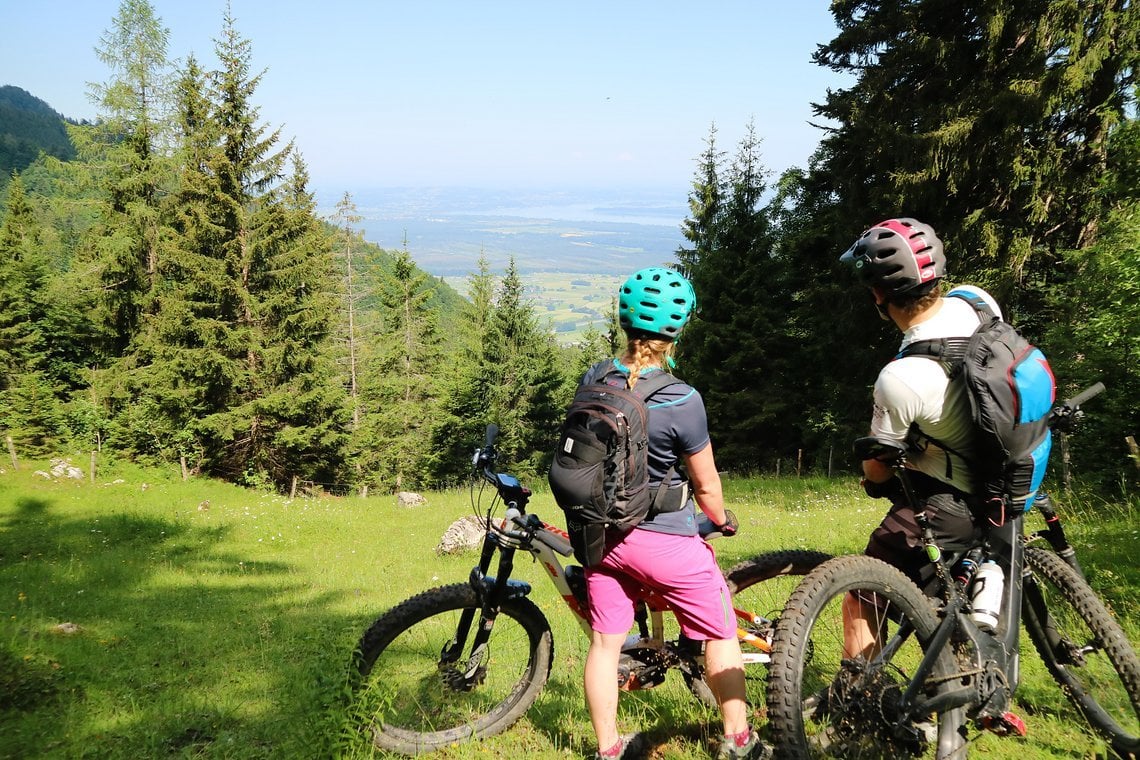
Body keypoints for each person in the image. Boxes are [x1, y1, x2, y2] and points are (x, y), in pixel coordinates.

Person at [581, 267, 768, 760]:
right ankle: (739, 740)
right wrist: (721, 517)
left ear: (624, 322)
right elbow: (706, 485)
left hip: (601, 539)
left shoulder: (595, 377)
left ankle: (609, 750)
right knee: (721, 633)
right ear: (677, 330)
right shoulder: (682, 398)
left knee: (605, 645)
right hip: (662, 541)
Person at [838, 217, 1002, 658]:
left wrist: (875, 482)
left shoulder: (901, 377)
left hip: (950, 503)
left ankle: (856, 699)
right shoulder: (978, 304)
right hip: (1007, 479)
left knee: (862, 587)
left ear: (878, 294)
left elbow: (877, 466)